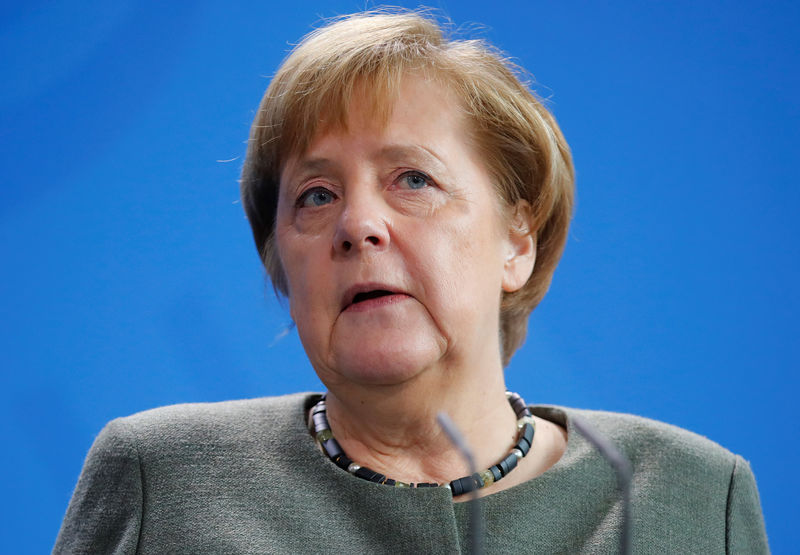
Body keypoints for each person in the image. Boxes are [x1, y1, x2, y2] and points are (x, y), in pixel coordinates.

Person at [54, 9, 768, 554]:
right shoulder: (161, 479)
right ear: (280, 264)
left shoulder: (697, 494)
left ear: (518, 240)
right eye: (315, 195)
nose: (357, 224)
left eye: (414, 179)